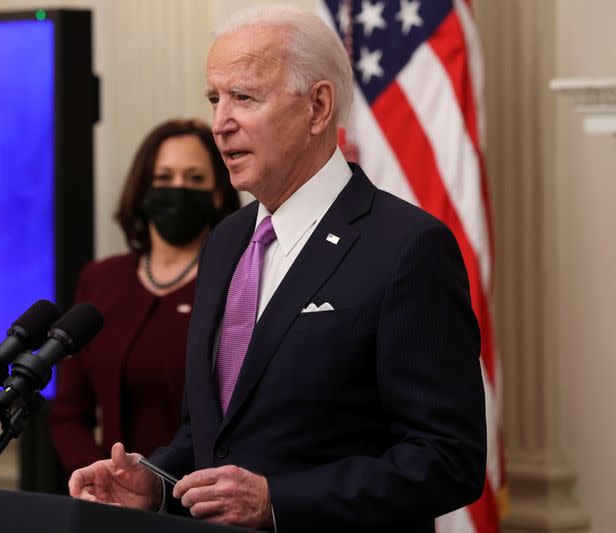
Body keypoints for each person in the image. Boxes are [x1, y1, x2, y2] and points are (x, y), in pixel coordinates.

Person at [67, 6, 487, 532]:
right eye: (214, 99)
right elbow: (211, 429)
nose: (220, 123)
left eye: (243, 97)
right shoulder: (225, 241)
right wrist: (156, 479)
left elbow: (449, 459)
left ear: (317, 107)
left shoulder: (407, 248)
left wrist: (278, 500)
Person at [49, 118, 240, 473]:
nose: (178, 189)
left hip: (197, 504)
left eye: (195, 179)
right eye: (164, 178)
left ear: (217, 194)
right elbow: (68, 415)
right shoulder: (101, 279)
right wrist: (105, 481)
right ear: (144, 190)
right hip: (107, 506)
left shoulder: (238, 282)